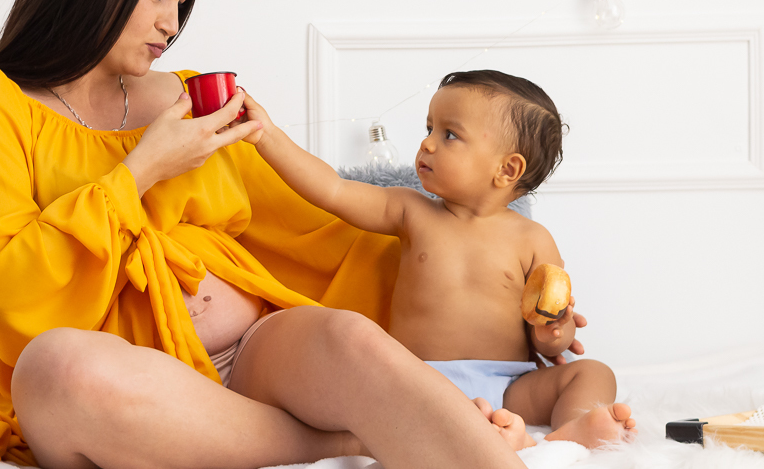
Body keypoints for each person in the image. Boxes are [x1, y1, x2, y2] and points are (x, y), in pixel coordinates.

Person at [0, 0, 540, 469]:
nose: (172, 24)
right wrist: (143, 168)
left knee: (347, 338)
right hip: (124, 382)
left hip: (255, 352)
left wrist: (497, 282)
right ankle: (345, 435)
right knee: (56, 369)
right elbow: (6, 283)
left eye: (181, 3)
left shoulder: (192, 95)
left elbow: (314, 222)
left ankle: (414, 430)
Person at [240, 70, 638, 450]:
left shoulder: (533, 239)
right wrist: (267, 135)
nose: (427, 143)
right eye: (429, 128)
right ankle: (491, 434)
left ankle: (570, 432)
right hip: (417, 381)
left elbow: (550, 336)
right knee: (348, 386)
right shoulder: (410, 211)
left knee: (593, 373)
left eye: (449, 134)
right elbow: (333, 189)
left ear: (507, 169)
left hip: (508, 386)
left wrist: (555, 331)